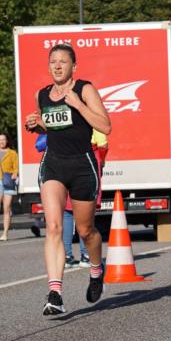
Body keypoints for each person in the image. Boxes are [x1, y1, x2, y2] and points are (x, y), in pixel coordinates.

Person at [25, 44, 111, 315]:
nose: (58, 66)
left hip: (82, 165)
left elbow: (105, 125)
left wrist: (78, 105)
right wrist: (35, 125)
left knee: (86, 231)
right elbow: (51, 127)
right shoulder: (42, 94)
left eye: (63, 61)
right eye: (53, 61)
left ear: (74, 66)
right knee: (53, 227)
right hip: (53, 164)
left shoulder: (85, 89)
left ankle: (96, 271)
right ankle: (55, 294)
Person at [63, 129, 110, 267]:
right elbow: (102, 144)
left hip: (65, 159)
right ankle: (85, 255)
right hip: (89, 158)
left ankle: (66, 256)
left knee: (67, 212)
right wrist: (102, 161)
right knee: (86, 212)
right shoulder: (92, 119)